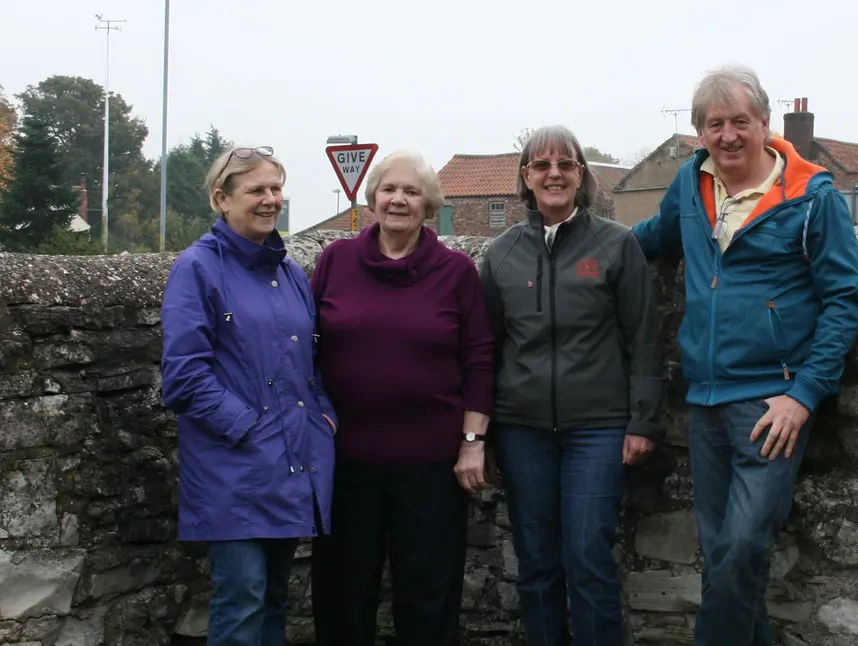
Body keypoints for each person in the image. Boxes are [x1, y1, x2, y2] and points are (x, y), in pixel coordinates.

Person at [631, 65, 858, 645]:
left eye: (741, 121)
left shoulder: (813, 199)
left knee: (740, 548)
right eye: (715, 125)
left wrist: (802, 396)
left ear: (765, 123)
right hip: (705, 397)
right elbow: (647, 240)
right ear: (700, 132)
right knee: (722, 560)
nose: (729, 135)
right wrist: (573, 250)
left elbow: (844, 301)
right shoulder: (691, 184)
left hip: (770, 403)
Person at [480, 125, 663, 646]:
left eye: (566, 164)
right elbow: (488, 348)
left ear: (581, 175)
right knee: (536, 562)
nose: (554, 173)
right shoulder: (500, 254)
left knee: (587, 557)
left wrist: (643, 420)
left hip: (599, 428)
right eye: (542, 165)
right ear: (526, 177)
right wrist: (487, 434)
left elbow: (643, 338)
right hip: (522, 429)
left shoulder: (616, 244)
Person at [308, 150, 495, 646]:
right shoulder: (335, 261)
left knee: (428, 596)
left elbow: (479, 359)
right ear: (372, 199)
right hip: (345, 460)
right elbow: (302, 346)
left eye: (412, 192)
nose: (398, 200)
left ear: (428, 205)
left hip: (431, 464)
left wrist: (473, 442)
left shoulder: (455, 272)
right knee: (342, 594)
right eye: (389, 189)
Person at [160, 145, 338, 646]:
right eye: (256, 189)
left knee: (276, 600)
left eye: (276, 188)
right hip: (232, 467)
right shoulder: (197, 269)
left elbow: (310, 363)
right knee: (241, 599)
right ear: (222, 198)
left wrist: (324, 417)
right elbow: (183, 376)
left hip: (290, 460)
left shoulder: (290, 273)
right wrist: (247, 426)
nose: (270, 200)